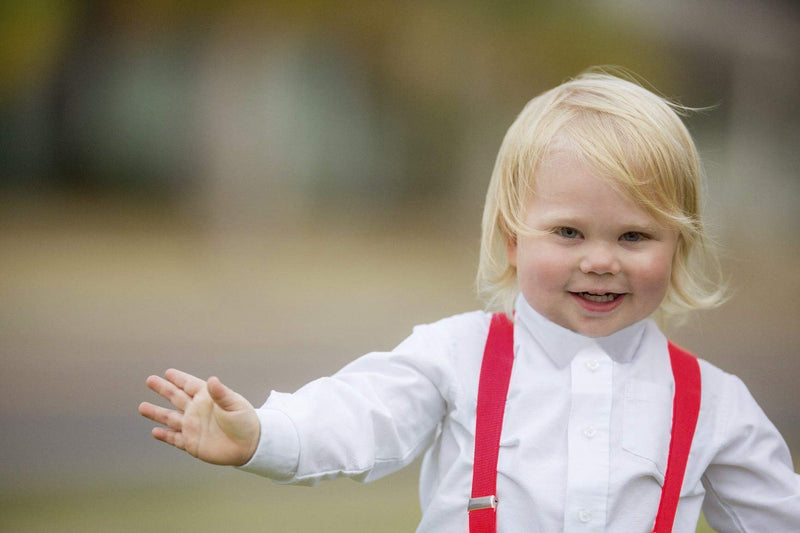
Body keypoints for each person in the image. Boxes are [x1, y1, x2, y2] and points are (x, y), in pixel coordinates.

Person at [139, 68, 800, 532]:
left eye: (634, 235)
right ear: (512, 238)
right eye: (568, 231)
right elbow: (359, 413)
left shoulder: (714, 404)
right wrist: (263, 433)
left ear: (677, 247)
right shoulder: (456, 355)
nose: (600, 259)